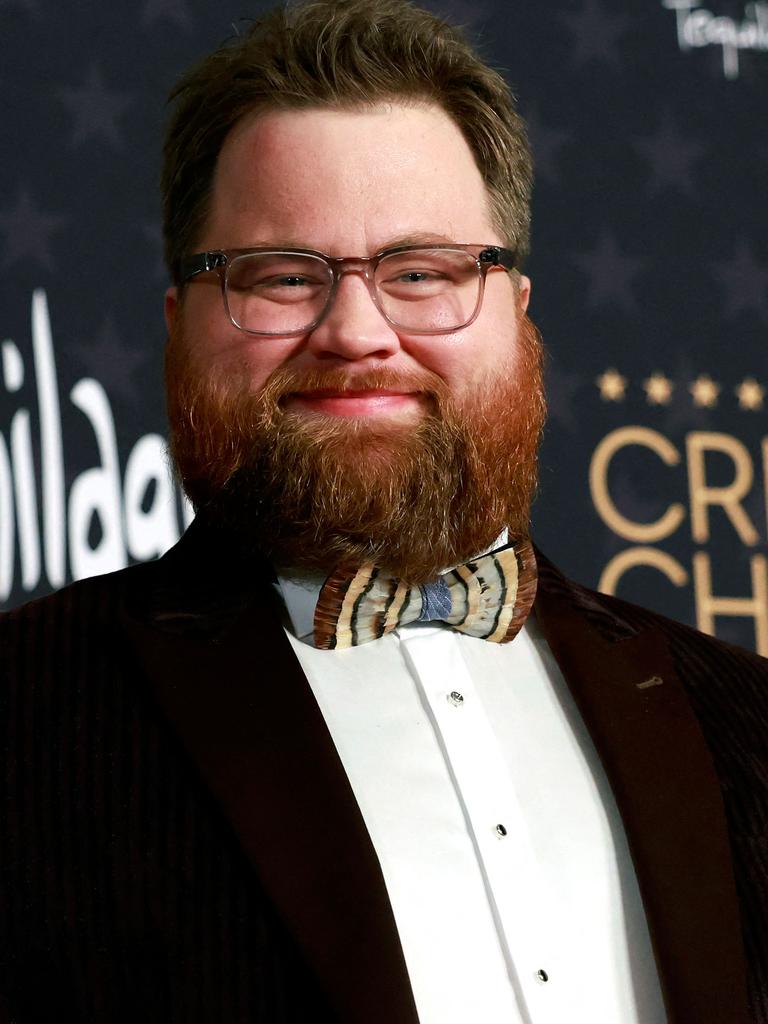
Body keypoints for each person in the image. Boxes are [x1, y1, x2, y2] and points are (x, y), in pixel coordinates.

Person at [1, 1, 766, 1021]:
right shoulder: (23, 712)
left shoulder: (746, 722)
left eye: (421, 272)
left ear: (516, 312)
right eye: (280, 276)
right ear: (179, 326)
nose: (357, 331)